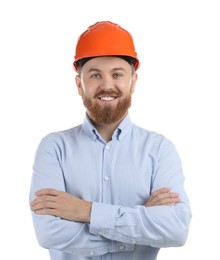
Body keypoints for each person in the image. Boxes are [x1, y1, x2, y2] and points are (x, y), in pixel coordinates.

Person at [29, 21, 192, 260]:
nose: (107, 85)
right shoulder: (54, 148)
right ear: (79, 84)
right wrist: (139, 225)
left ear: (133, 81)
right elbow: (49, 234)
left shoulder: (159, 150)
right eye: (95, 75)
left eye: (117, 74)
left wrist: (86, 211)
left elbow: (177, 230)